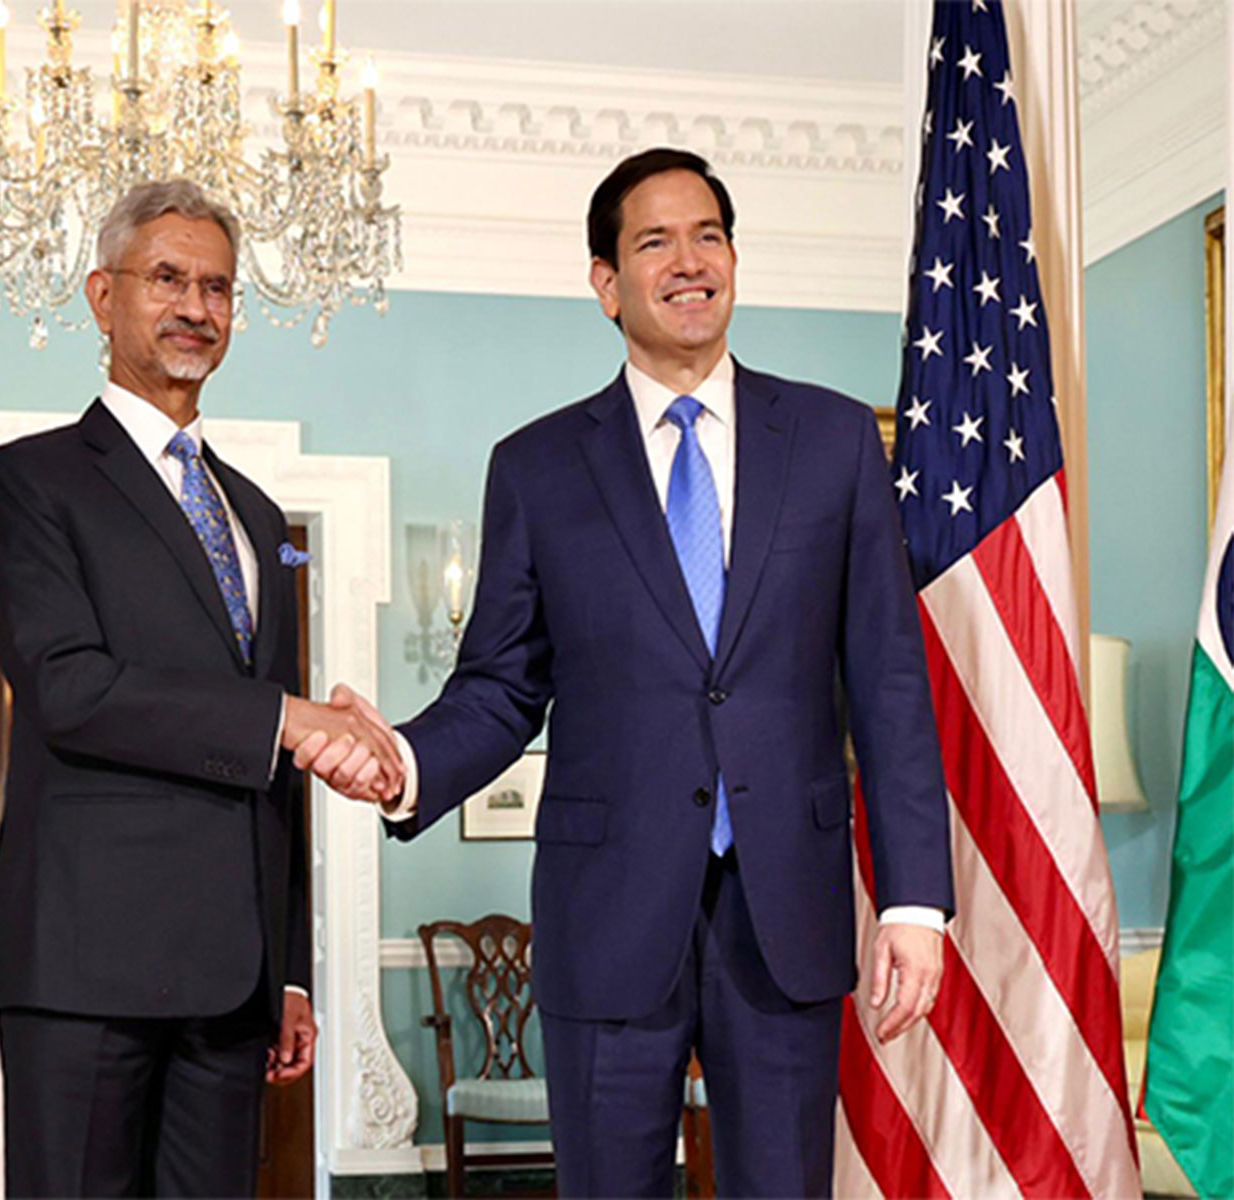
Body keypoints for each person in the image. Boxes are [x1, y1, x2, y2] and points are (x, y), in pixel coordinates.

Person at [328, 148, 954, 1197]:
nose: (689, 261)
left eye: (708, 236)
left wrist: (916, 903)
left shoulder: (835, 441)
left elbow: (889, 682)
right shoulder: (535, 467)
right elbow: (499, 686)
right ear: (607, 282)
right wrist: (404, 762)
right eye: (655, 242)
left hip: (787, 914)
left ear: (734, 260)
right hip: (606, 912)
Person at [0, 179, 403, 1198]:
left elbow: (275, 777)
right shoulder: (32, 478)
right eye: (167, 278)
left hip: (233, 983)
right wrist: (285, 717)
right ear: (101, 295)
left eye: (217, 288)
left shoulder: (257, 515)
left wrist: (289, 969)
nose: (196, 307)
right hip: (84, 965)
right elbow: (69, 689)